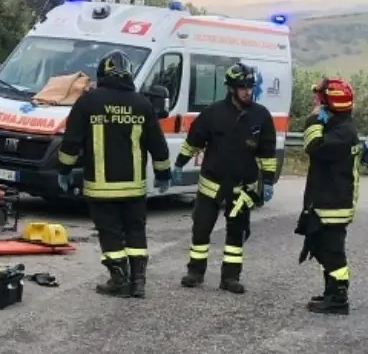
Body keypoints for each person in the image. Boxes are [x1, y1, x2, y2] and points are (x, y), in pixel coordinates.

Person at [55, 51, 171, 298]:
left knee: (110, 232)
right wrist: (164, 174)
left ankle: (119, 279)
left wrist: (64, 170)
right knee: (135, 231)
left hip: (101, 186)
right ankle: (138, 281)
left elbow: (71, 142)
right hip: (134, 187)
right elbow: (158, 144)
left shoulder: (88, 102)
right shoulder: (142, 103)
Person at [172, 62, 278, 294]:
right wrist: (179, 163)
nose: (247, 91)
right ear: (231, 88)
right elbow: (194, 141)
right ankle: (195, 272)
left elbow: (267, 153)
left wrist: (268, 181)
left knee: (236, 235)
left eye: (250, 86)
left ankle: (230, 278)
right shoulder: (213, 113)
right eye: (242, 87)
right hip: (212, 185)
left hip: (243, 189)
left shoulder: (261, 116)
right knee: (201, 230)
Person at [296, 77, 360, 315]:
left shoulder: (343, 132)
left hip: (334, 204)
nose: (317, 102)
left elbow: (313, 147)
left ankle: (338, 298)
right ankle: (331, 291)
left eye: (320, 99)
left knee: (332, 251)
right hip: (328, 200)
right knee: (322, 247)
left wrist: (313, 119)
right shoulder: (340, 125)